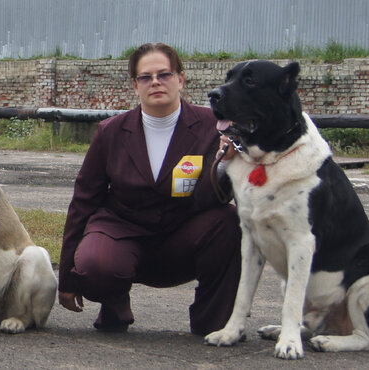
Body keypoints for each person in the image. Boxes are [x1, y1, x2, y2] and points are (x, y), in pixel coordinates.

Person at [58, 43, 241, 335]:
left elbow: (213, 199)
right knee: (96, 265)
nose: (155, 82)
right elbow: (83, 202)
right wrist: (67, 278)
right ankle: (115, 303)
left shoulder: (212, 127)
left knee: (228, 221)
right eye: (145, 77)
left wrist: (222, 166)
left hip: (181, 237)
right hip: (122, 232)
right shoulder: (111, 132)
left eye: (164, 74)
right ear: (135, 85)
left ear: (180, 79)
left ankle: (214, 323)